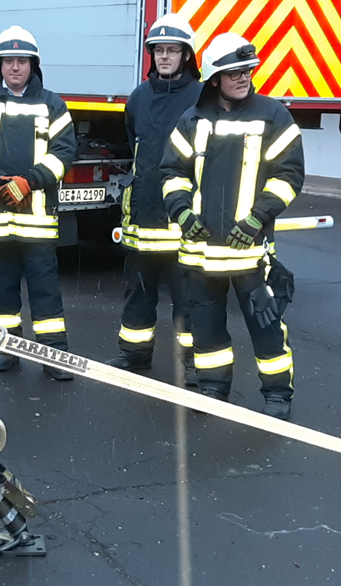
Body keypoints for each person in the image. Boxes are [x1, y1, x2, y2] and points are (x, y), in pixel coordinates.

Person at [159, 33, 305, 419]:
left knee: (266, 325)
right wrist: (182, 212)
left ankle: (277, 394)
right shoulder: (191, 120)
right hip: (201, 252)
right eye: (233, 72)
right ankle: (212, 388)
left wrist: (259, 217)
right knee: (206, 328)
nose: (243, 77)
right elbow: (172, 172)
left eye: (247, 70)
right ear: (214, 79)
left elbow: (288, 176)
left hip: (250, 252)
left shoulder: (274, 116)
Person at [0, 27, 78, 380]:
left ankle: (53, 356)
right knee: (2, 291)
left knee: (46, 292)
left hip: (37, 222)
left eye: (22, 61)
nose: (15, 67)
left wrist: (30, 181)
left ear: (33, 65)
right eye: (9, 61)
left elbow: (64, 153)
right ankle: (7, 350)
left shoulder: (53, 105)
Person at [103, 14, 202, 385]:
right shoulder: (139, 97)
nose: (164, 57)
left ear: (186, 55)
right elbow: (136, 143)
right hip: (143, 212)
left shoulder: (201, 97)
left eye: (172, 50)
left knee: (189, 297)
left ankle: (192, 363)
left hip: (183, 216)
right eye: (158, 50)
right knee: (138, 292)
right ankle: (135, 354)